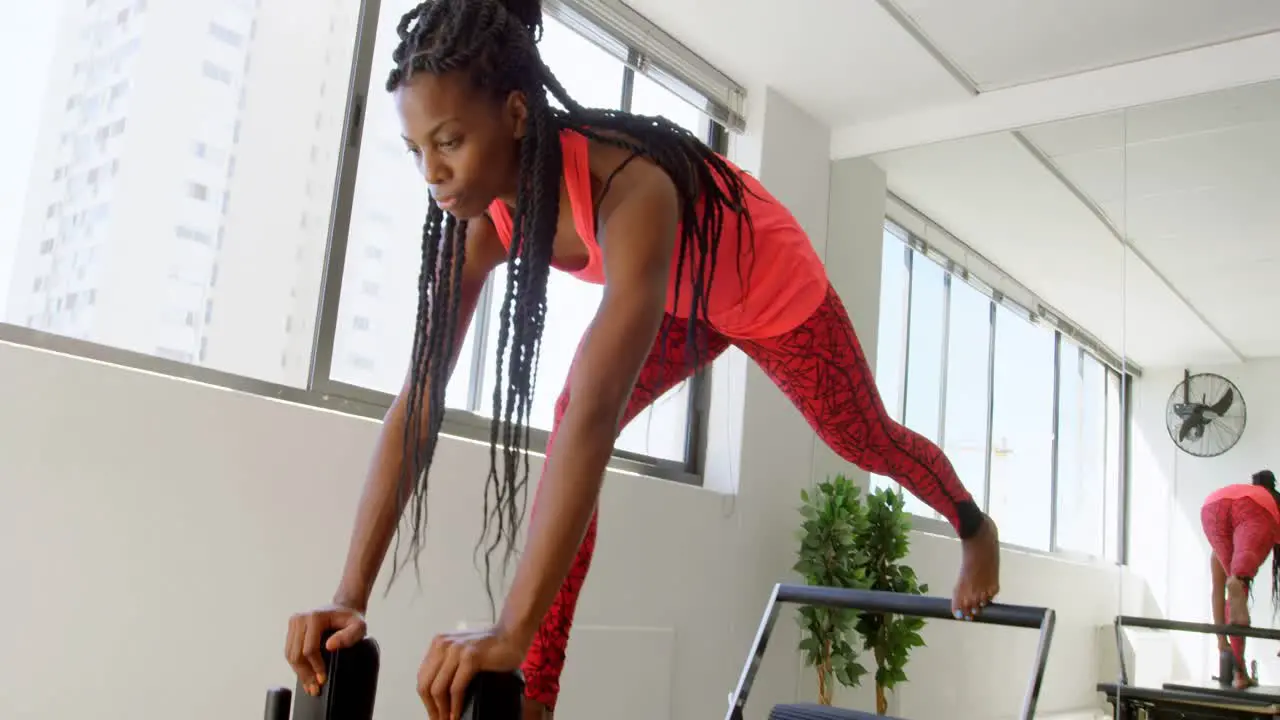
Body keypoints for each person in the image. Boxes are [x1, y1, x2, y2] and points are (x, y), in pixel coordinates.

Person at [282, 0, 1001, 717]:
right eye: (416, 150)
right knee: (566, 418)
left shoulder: (627, 183)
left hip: (770, 291)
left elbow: (597, 416)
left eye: (449, 141)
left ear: (516, 114)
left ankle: (974, 526)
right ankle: (538, 696)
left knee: (860, 436)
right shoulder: (480, 220)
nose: (432, 173)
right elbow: (419, 400)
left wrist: (508, 631)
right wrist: (349, 598)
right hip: (681, 303)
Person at [1201, 469, 1280, 689]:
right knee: (1239, 582)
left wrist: (1221, 641)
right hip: (1256, 510)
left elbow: (1217, 591)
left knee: (1231, 588)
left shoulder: (1239, 494)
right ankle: (1239, 580)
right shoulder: (1269, 504)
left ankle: (1240, 675)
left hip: (1212, 505)